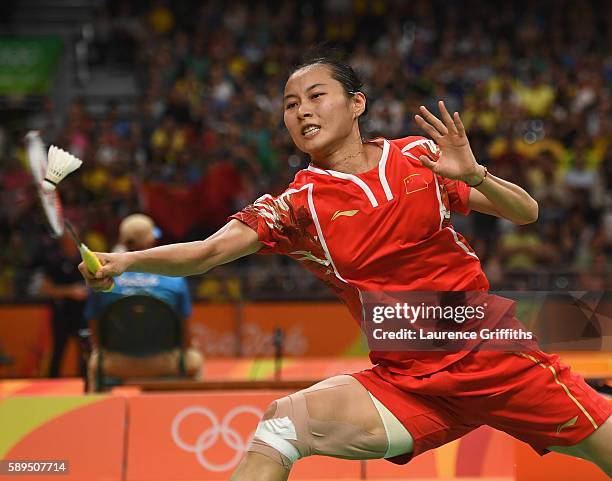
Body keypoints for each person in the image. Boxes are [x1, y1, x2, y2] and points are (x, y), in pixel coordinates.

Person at [79, 54, 611, 478]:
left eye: (316, 96)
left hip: (493, 359)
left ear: (356, 103)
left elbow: (527, 212)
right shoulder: (295, 205)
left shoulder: (420, 158)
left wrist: (475, 176)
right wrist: (124, 261)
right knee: (279, 429)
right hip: (408, 380)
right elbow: (207, 251)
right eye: (290, 105)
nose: (302, 111)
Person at [84, 213, 202, 386]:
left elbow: (94, 330)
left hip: (114, 364)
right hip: (166, 363)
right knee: (194, 359)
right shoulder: (175, 279)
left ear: (122, 241)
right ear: (151, 242)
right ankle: (188, 409)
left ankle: (96, 409)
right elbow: (186, 338)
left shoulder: (102, 278)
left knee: (94, 362)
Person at [41, 233, 88, 377]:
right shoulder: (55, 261)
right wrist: (70, 291)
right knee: (59, 349)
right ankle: (51, 381)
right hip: (62, 313)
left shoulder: (85, 260)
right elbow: (46, 289)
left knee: (84, 350)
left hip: (82, 313)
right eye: (66, 242)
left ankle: (84, 380)